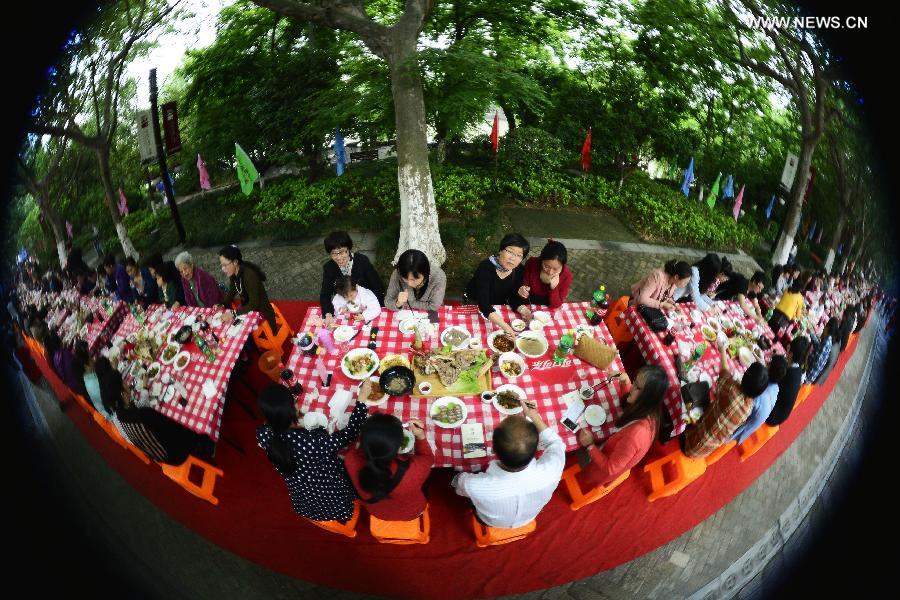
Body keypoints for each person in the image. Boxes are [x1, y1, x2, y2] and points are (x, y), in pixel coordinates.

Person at [256, 384, 369, 522]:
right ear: (293, 410)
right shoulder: (313, 443)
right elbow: (350, 434)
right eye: (294, 401)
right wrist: (362, 401)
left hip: (303, 501)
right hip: (330, 497)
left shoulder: (263, 434)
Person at [451, 399, 565, 528]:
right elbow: (556, 443)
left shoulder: (474, 484)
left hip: (488, 521)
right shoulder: (553, 468)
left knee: (452, 474)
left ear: (493, 450)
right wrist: (533, 415)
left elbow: (458, 486)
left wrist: (458, 478)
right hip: (529, 518)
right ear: (537, 450)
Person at [575, 366, 669, 489]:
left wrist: (590, 445)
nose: (632, 387)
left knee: (574, 441)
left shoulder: (636, 436)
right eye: (634, 381)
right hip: (611, 446)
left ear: (647, 397)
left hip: (599, 470)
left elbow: (610, 468)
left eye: (637, 386)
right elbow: (629, 401)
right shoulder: (647, 408)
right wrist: (625, 382)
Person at [682, 341, 768, 458]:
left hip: (689, 442)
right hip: (705, 452)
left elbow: (723, 371)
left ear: (745, 376)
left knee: (690, 391)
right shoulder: (748, 409)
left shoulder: (731, 388)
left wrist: (722, 350)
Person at [343, 411, 434, 521]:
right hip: (412, 512)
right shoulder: (415, 470)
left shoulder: (350, 460)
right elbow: (428, 458)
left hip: (376, 512)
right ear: (399, 446)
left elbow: (353, 447)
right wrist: (420, 436)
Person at [464, 233, 533, 336]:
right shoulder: (485, 267)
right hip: (475, 303)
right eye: (510, 251)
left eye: (519, 255)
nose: (513, 258)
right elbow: (483, 304)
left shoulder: (518, 270)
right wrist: (505, 326)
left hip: (496, 306)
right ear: (501, 250)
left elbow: (512, 298)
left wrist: (524, 310)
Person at [319, 231, 384, 323]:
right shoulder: (329, 268)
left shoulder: (362, 261)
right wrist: (328, 313)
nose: (339, 257)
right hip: (345, 309)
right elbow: (325, 294)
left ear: (348, 248)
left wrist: (371, 308)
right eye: (334, 253)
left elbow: (377, 286)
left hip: (366, 306)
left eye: (341, 252)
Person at [218, 245, 277, 329]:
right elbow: (232, 290)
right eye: (221, 265)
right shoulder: (234, 272)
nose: (223, 269)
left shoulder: (249, 275)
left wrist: (233, 313)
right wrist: (223, 304)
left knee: (239, 333)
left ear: (235, 262)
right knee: (232, 328)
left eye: (225, 265)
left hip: (262, 315)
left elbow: (254, 304)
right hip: (248, 309)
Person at [730, 356, 785, 444]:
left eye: (769, 363)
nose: (767, 362)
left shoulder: (757, 394)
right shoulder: (776, 387)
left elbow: (739, 404)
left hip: (736, 430)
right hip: (750, 422)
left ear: (769, 369)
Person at [766, 337, 810, 426]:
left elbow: (770, 382)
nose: (787, 347)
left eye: (789, 347)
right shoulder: (797, 369)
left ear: (791, 354)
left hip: (773, 415)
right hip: (781, 413)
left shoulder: (788, 373)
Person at [520, 240, 573, 309]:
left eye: (555, 269)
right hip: (528, 304)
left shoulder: (566, 275)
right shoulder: (532, 263)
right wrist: (523, 289)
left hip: (548, 308)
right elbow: (523, 284)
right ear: (541, 260)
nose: (550, 272)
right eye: (546, 266)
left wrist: (554, 288)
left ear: (562, 265)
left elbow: (556, 305)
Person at [805, 317, 839, 384]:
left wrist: (807, 353)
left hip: (809, 374)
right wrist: (812, 334)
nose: (824, 328)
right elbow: (819, 346)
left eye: (826, 326)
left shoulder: (827, 342)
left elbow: (816, 362)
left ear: (828, 328)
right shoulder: (828, 339)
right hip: (811, 371)